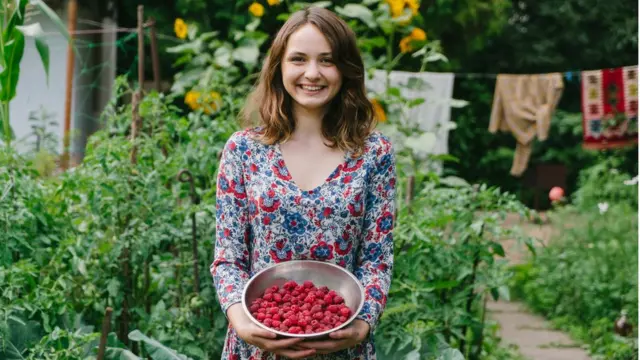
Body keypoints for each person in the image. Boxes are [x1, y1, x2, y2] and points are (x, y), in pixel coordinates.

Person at [210, 6, 396, 360]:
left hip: (342, 345)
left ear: (346, 69)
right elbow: (228, 258)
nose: (312, 73)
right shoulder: (244, 150)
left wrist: (363, 323)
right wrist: (241, 321)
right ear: (278, 67)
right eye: (298, 59)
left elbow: (376, 260)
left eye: (327, 60)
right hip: (258, 345)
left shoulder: (374, 154)